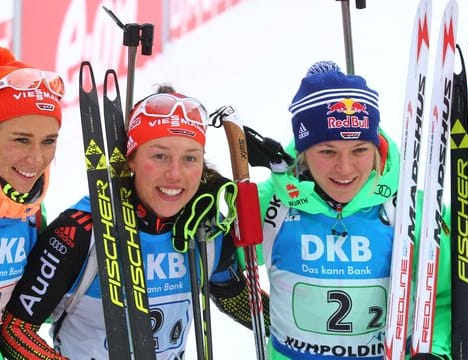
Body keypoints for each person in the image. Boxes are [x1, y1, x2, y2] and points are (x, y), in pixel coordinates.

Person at [0, 86, 269, 359]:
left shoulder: (205, 227)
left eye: (190, 158)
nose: (174, 174)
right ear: (131, 159)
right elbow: (16, 330)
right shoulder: (79, 231)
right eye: (159, 156)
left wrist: (301, 327)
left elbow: (234, 297)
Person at [245, 61, 452, 359]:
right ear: (303, 151)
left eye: (359, 150)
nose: (344, 168)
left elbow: (444, 298)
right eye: (327, 151)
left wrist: (435, 351)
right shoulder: (270, 202)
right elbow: (214, 266)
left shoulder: (414, 208)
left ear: (376, 147)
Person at [0, 47, 63, 317]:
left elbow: (34, 311)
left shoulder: (31, 209)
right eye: (21, 140)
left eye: (48, 141)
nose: (37, 159)